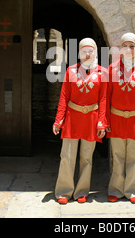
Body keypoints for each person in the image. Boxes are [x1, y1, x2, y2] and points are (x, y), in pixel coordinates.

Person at [53, 38, 107, 204]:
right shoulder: (70, 71)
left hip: (91, 119)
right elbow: (64, 96)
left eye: (90, 51)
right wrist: (58, 120)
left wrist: (101, 122)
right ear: (79, 53)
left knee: (86, 157)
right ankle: (64, 191)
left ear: (95, 53)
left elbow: (103, 99)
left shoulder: (102, 73)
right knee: (67, 155)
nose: (87, 54)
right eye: (84, 51)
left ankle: (82, 191)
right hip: (72, 118)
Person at [106, 32, 135, 204]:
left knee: (133, 156)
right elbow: (107, 97)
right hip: (116, 119)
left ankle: (132, 190)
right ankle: (116, 189)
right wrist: (106, 120)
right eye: (124, 46)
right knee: (118, 156)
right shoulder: (112, 69)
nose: (128, 49)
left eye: (131, 46)